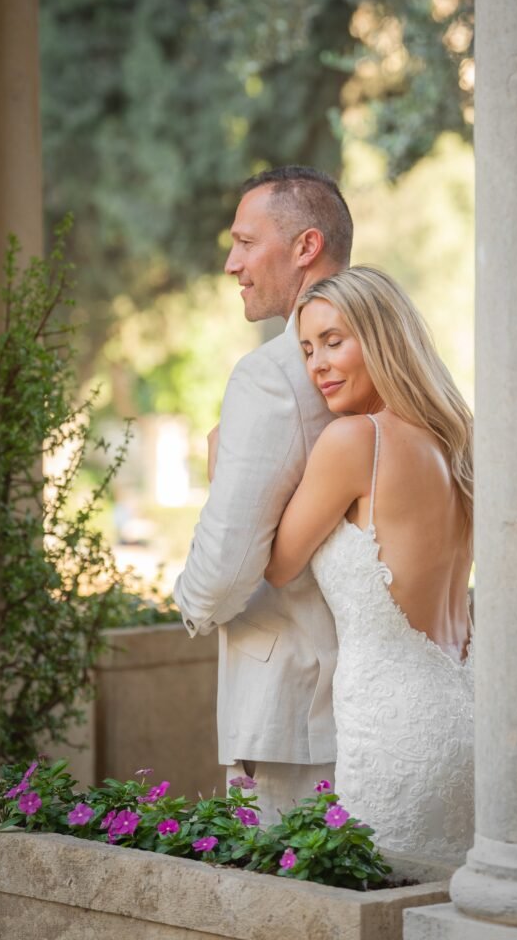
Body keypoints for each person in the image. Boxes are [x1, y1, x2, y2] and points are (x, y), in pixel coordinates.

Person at [265, 266, 475, 862]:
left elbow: (278, 565)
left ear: (383, 338)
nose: (318, 365)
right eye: (308, 349)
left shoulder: (356, 441)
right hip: (468, 715)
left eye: (334, 341)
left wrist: (221, 459)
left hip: (397, 739)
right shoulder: (455, 442)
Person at [174, 166, 353, 823]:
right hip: (370, 695)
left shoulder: (271, 375)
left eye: (246, 243)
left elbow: (224, 572)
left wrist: (188, 602)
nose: (232, 264)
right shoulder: (388, 354)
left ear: (305, 246)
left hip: (291, 705)